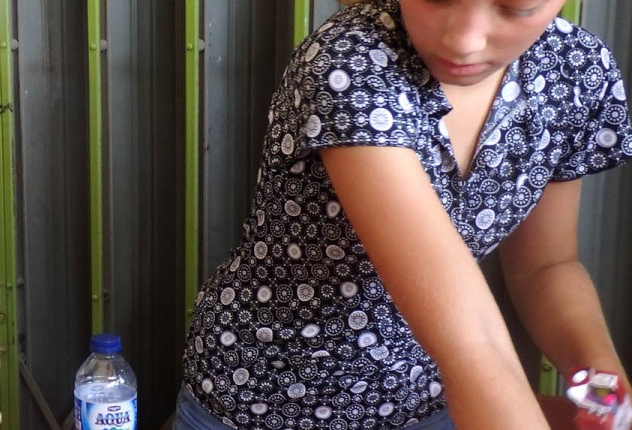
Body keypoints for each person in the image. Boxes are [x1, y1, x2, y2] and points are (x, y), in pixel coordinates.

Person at [177, 0, 632, 428]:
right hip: (271, 399)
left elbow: (546, 266)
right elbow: (470, 342)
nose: (464, 41)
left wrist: (602, 387)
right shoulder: (353, 61)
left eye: (517, 7)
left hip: (430, 398)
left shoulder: (575, 70)